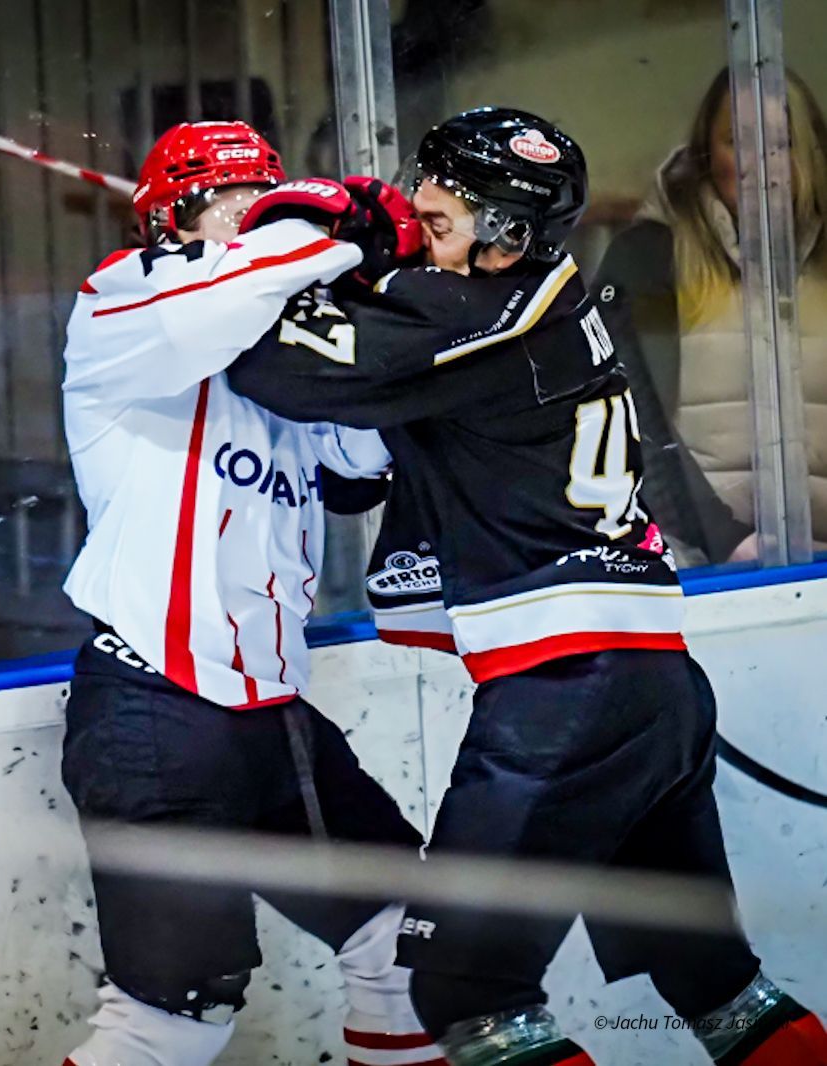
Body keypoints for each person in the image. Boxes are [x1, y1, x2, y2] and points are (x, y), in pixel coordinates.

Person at [227, 108, 827, 1066]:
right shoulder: (546, 296)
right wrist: (385, 260)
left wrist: (292, 246)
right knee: (715, 982)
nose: (424, 231)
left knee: (464, 993)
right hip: (652, 690)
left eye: (442, 222)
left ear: (508, 233)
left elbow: (272, 369)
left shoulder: (473, 310)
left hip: (565, 697)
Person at [58, 120, 443, 1066]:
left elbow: (360, 463)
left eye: (262, 200)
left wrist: (375, 298)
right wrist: (333, 227)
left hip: (271, 713)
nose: (250, 221)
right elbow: (220, 297)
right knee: (172, 1023)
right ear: (168, 223)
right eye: (228, 203)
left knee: (409, 946)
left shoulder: (283, 339)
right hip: (151, 707)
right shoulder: (121, 303)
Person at [595, 68, 827, 564]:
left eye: (782, 143)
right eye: (737, 142)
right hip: (704, 565)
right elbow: (624, 417)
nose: (760, 163)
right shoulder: (649, 256)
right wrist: (725, 540)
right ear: (705, 154)